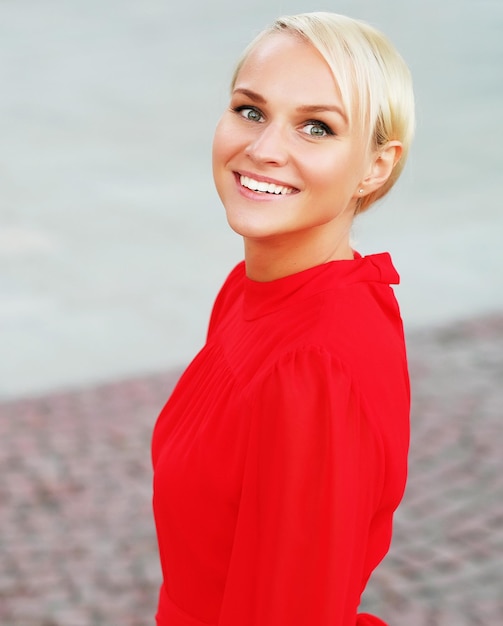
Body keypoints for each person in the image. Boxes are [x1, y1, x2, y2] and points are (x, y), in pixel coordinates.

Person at [152, 11, 414, 626]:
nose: (264, 150)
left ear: (376, 166)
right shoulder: (254, 288)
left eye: (316, 127)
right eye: (250, 110)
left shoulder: (312, 368)